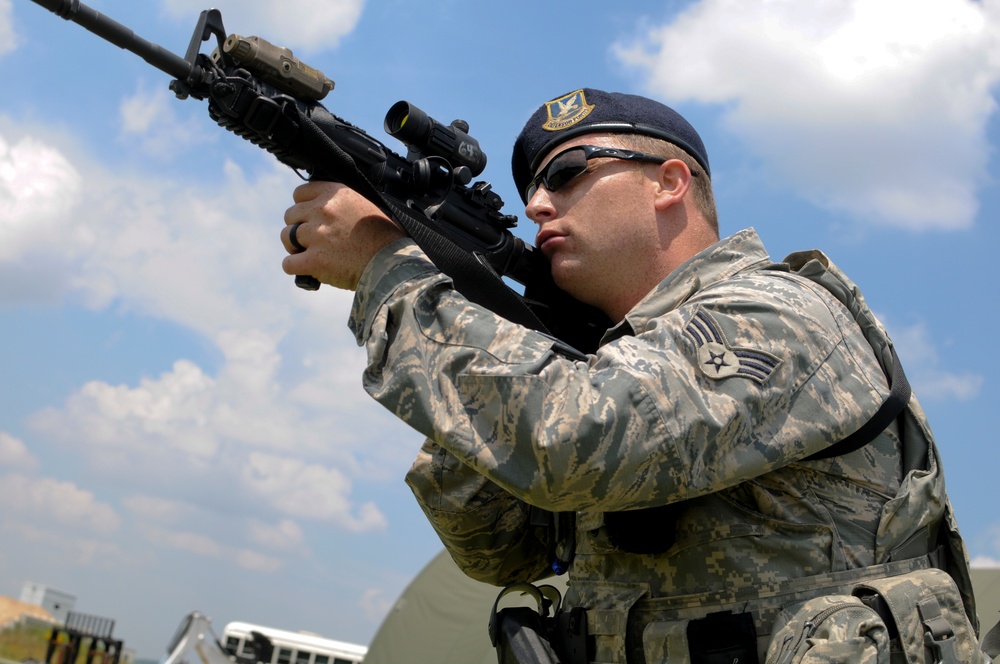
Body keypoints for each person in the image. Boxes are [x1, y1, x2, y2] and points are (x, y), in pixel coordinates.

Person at [280, 88, 979, 663]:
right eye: (532, 188)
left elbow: (568, 440)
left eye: (567, 173)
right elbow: (496, 548)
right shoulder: (612, 360)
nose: (536, 206)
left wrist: (386, 267)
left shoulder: (777, 313)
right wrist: (489, 328)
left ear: (670, 183)